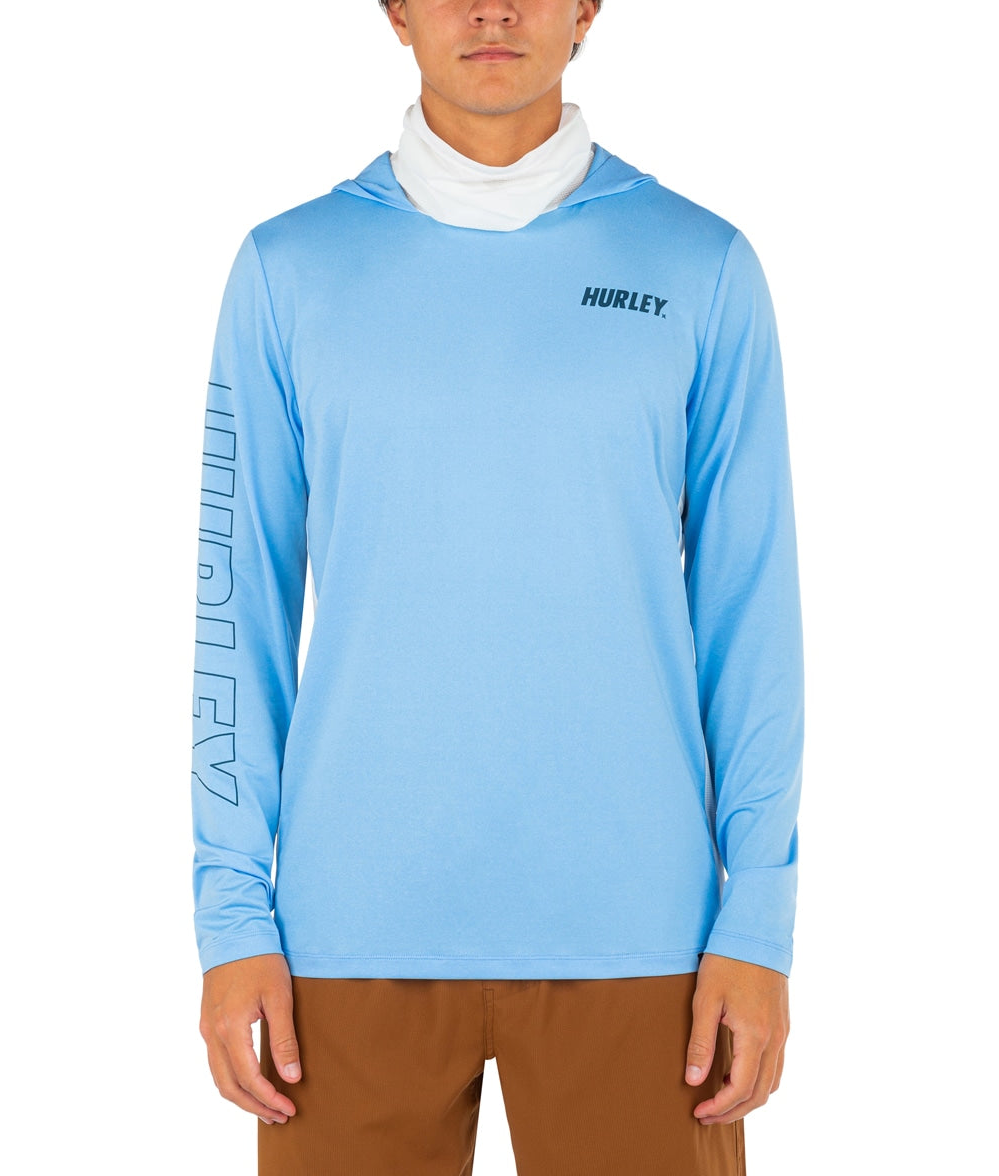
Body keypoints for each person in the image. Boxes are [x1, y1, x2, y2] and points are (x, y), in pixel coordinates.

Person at [191, 3, 804, 1173]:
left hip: (648, 945)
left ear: (587, 8)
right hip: (343, 945)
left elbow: (752, 614)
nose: (492, 9)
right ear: (395, 9)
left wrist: (758, 923)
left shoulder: (700, 268)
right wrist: (231, 919)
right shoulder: (288, 271)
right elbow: (237, 616)